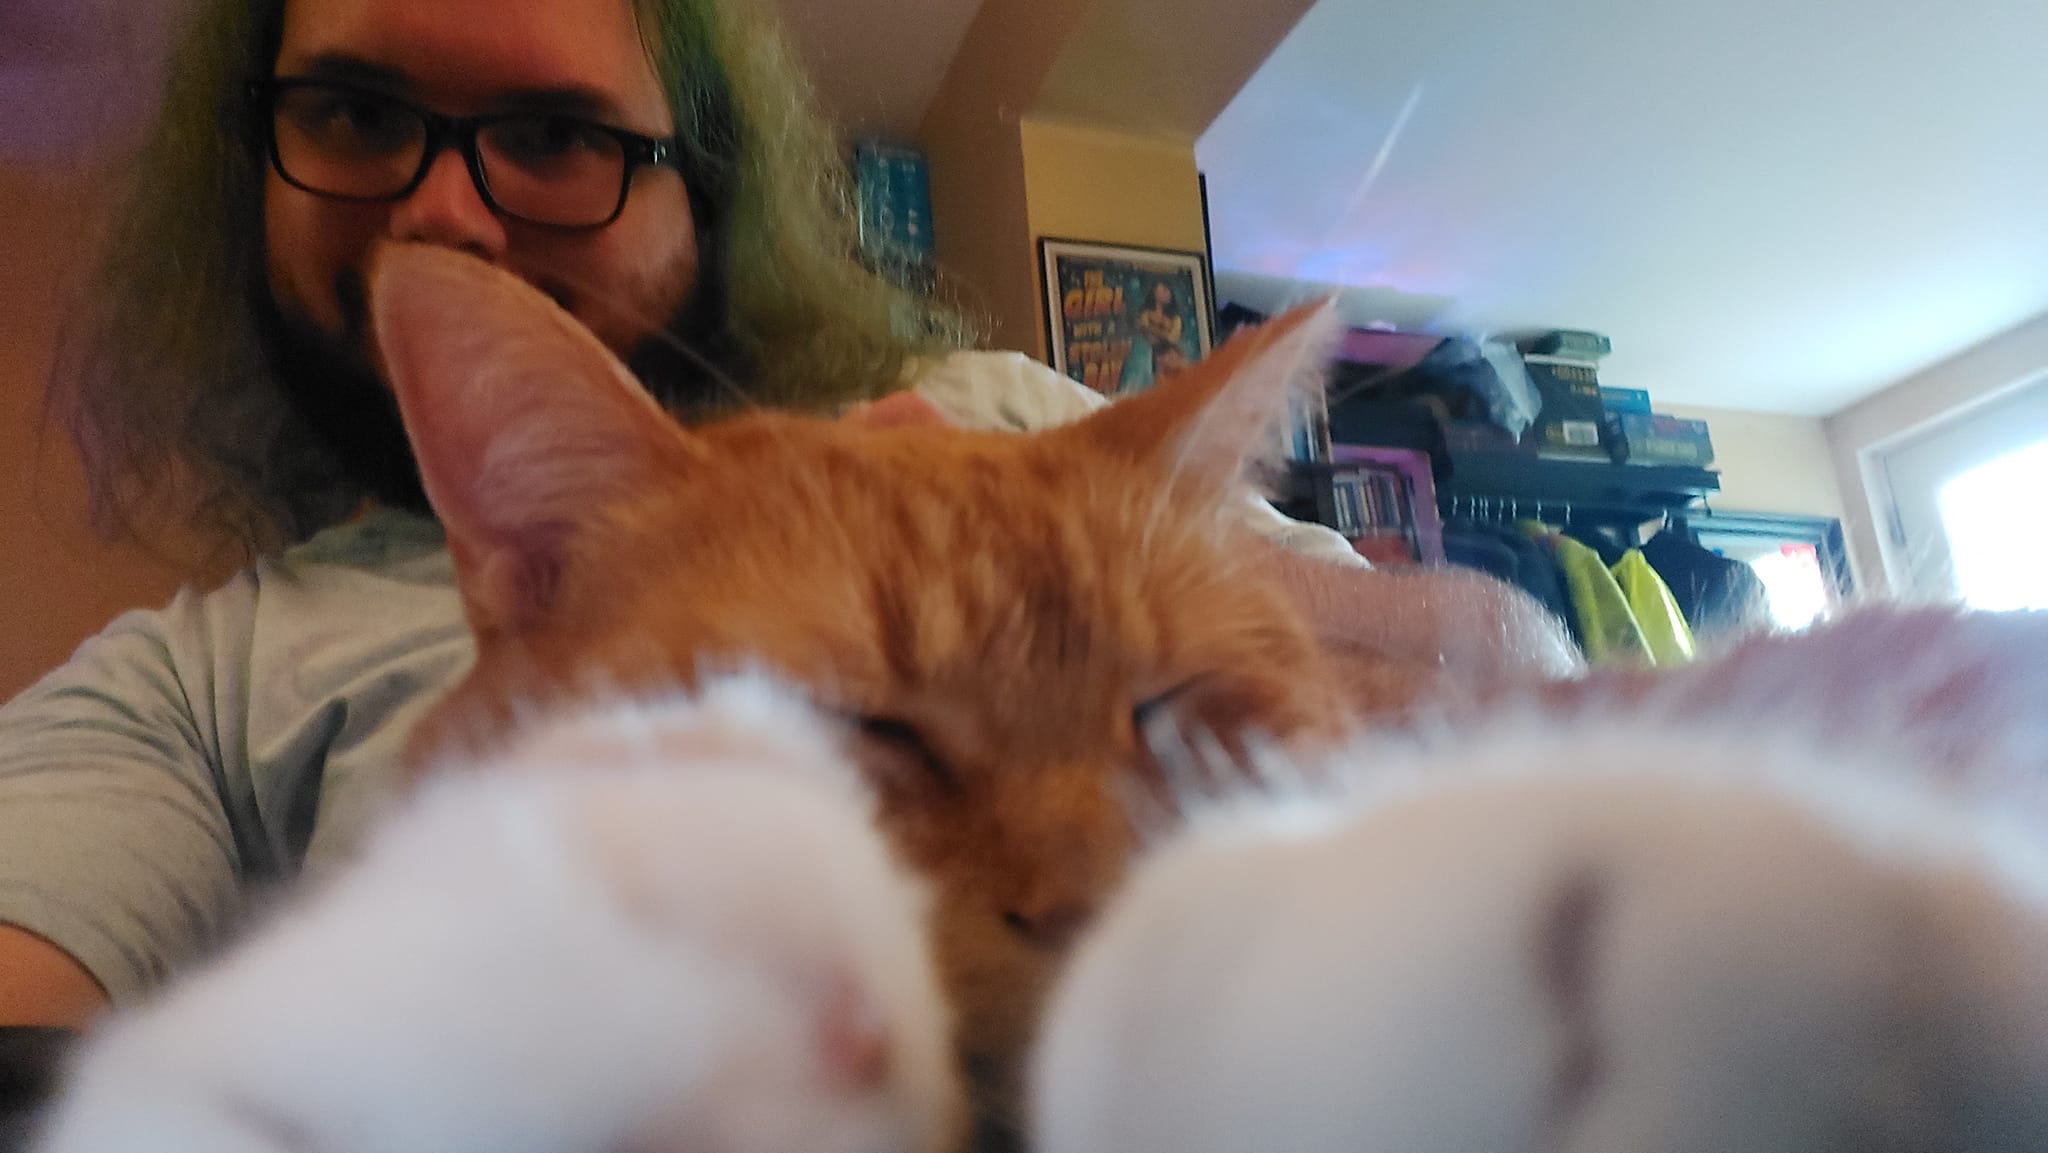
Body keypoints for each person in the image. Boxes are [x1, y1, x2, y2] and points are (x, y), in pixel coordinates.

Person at [0, 0, 1578, 1027]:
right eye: (355, 115)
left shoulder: (1017, 415)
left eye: (552, 137)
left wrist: (1176, 626)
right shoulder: (177, 686)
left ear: (709, 182)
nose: (444, 210)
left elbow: (1520, 662)